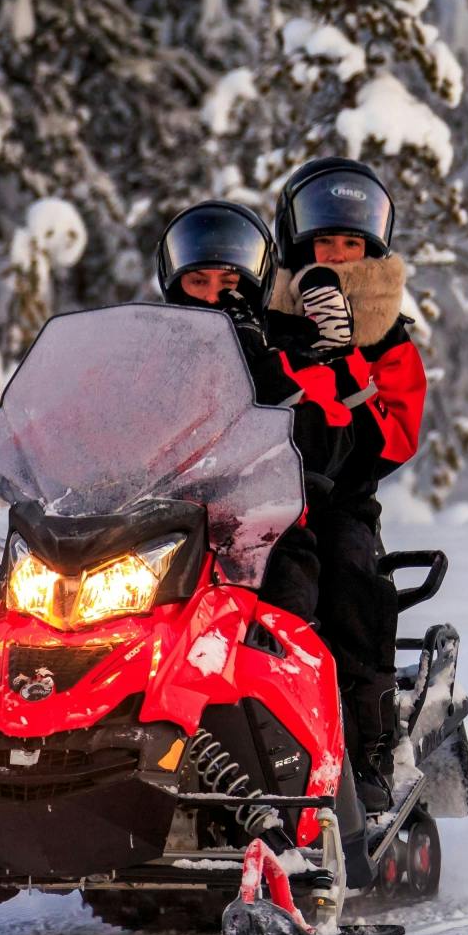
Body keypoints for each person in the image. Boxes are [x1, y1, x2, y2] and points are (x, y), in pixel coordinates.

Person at [267, 158, 426, 811]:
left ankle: (373, 741)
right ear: (301, 247)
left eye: (350, 243)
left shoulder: (387, 335)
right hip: (251, 494)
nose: (336, 254)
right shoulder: (265, 318)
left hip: (338, 496)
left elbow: (397, 435)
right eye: (325, 242)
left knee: (350, 572)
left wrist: (343, 352)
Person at [154, 200, 353, 630]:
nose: (212, 295)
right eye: (197, 280)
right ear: (174, 283)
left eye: (229, 282)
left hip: (260, 528)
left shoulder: (293, 354)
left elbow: (329, 441)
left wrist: (259, 361)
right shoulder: (147, 359)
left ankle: (290, 690)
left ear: (254, 285)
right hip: (154, 525)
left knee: (284, 603)